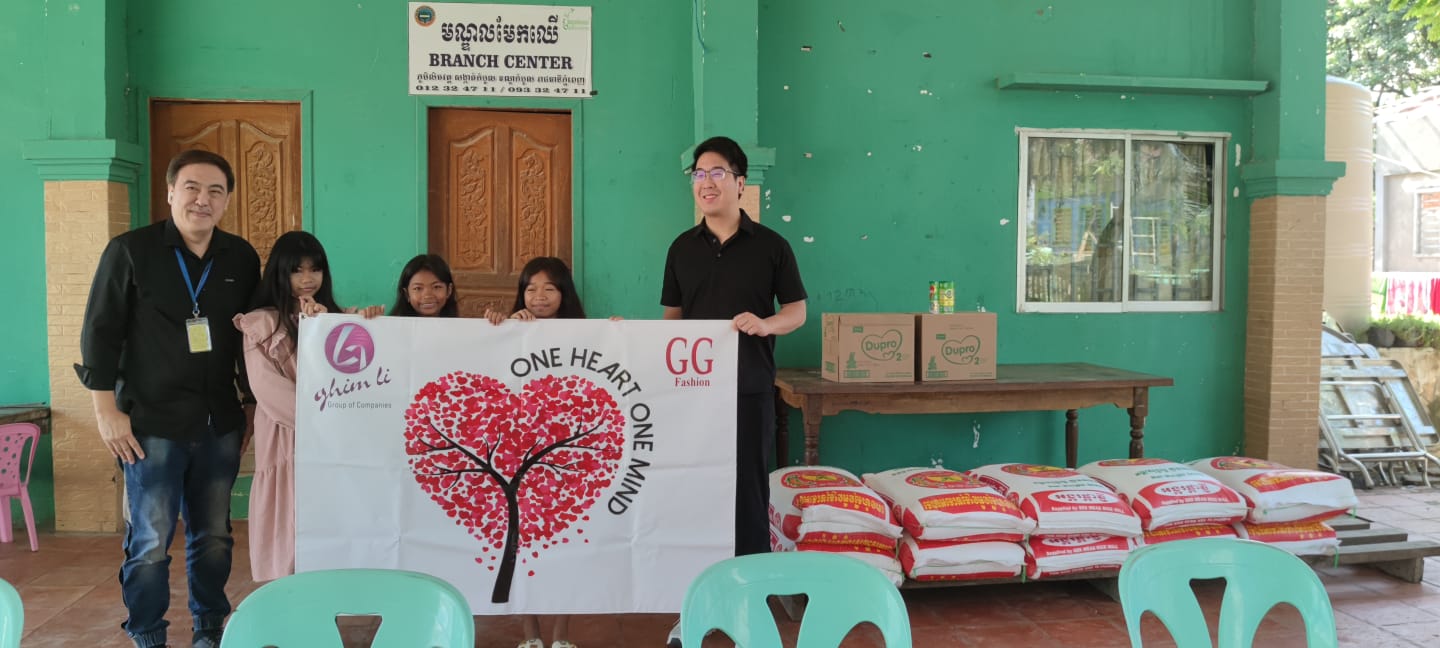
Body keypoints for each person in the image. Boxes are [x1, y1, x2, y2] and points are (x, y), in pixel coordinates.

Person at [75, 149, 260, 648]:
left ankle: (209, 628)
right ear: (171, 191)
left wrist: (250, 405)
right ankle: (148, 633)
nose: (203, 200)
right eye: (193, 188)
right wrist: (106, 410)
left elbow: (252, 339)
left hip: (219, 422)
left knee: (215, 536)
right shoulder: (130, 251)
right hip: (150, 424)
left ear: (226, 201)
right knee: (151, 540)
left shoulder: (240, 257)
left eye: (216, 191)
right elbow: (100, 332)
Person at [659, 136, 807, 647]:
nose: (707, 182)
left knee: (748, 498)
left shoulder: (771, 246)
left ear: (741, 183)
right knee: (692, 496)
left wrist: (766, 325)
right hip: (692, 397)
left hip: (749, 391)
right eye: (698, 174)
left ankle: (748, 610)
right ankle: (693, 609)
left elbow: (797, 311)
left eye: (717, 172)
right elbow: (671, 322)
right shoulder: (681, 248)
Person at [232, 230, 382, 582]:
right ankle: (288, 594)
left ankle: (329, 594)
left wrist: (370, 325)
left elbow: (356, 378)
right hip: (287, 436)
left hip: (334, 440)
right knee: (290, 514)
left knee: (333, 515)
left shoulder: (338, 319)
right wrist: (328, 421)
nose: (307, 279)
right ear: (280, 273)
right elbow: (268, 391)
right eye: (296, 270)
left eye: (315, 269)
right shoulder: (261, 324)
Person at [485, 255, 589, 648]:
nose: (539, 296)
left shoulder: (585, 333)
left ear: (564, 293)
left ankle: (561, 635)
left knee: (565, 545)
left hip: (565, 455)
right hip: (518, 456)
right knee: (519, 542)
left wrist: (616, 333)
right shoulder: (513, 328)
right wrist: (503, 327)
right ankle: (531, 635)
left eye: (549, 288)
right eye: (530, 288)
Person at [390, 253, 460, 317]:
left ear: (449, 290)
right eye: (418, 288)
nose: (427, 296)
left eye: (436, 287)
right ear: (407, 294)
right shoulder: (392, 325)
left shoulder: (459, 325)